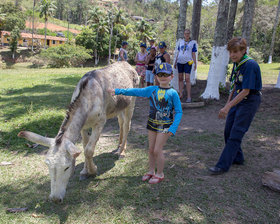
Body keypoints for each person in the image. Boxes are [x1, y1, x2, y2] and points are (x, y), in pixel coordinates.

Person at [108, 63, 182, 184]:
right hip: (152, 124)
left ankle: (160, 173)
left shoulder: (173, 93)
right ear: (156, 76)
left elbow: (179, 112)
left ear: (172, 76)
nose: (163, 77)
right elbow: (135, 91)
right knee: (151, 149)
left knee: (158, 150)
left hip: (165, 127)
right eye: (160, 74)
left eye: (166, 75)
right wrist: (117, 91)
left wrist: (173, 128)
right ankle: (151, 171)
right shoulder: (151, 90)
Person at [208, 37, 262, 175]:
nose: (233, 54)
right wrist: (227, 105)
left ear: (244, 50)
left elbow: (246, 90)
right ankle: (238, 157)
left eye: (236, 51)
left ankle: (222, 166)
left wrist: (228, 106)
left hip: (249, 100)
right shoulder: (237, 64)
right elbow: (234, 86)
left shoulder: (249, 65)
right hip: (237, 99)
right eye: (231, 52)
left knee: (236, 133)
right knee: (228, 131)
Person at [174, 29, 197, 102]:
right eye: (185, 33)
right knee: (180, 78)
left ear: (189, 34)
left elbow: (193, 53)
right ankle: (180, 94)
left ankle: (189, 96)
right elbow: (178, 52)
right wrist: (175, 62)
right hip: (180, 61)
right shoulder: (180, 42)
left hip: (188, 62)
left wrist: (195, 63)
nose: (186, 35)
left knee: (187, 78)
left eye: (188, 33)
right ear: (184, 34)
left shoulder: (192, 43)